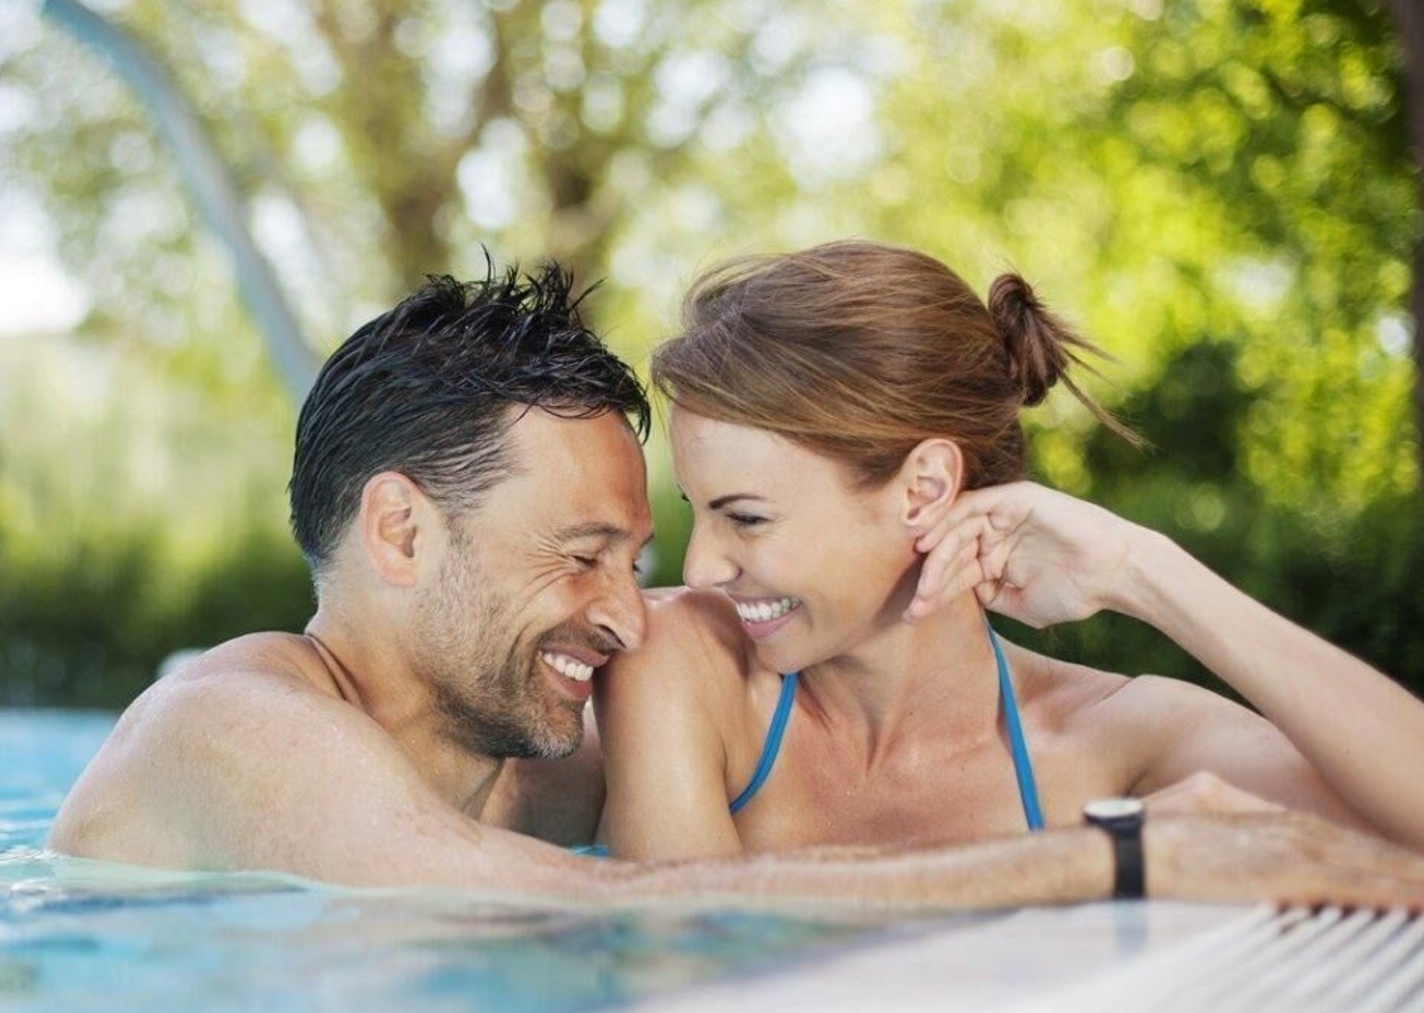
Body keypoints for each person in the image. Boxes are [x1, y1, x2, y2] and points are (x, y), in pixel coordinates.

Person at [49, 262, 1424, 909]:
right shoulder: (221, 730)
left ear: (930, 491)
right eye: (587, 553)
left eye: (647, 550)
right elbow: (627, 909)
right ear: (399, 532)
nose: (644, 601)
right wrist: (1125, 858)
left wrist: (1147, 571)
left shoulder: (551, 739)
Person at [597, 240, 1424, 865]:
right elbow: (672, 971)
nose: (699, 567)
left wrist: (1142, 569)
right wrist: (1069, 871)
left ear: (923, 491)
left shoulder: (1109, 744)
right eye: (696, 512)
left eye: (745, 518)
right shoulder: (686, 666)